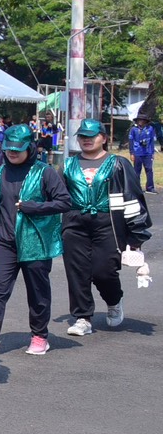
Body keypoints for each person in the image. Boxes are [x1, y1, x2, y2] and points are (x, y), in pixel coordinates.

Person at [0, 123, 71, 357]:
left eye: (18, 148)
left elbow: (64, 202)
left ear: (30, 147)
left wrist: (35, 207)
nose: (12, 152)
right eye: (8, 148)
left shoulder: (44, 172)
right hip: (4, 242)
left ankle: (39, 336)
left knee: (38, 290)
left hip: (35, 242)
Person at [62, 118, 151, 335]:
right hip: (74, 224)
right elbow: (57, 196)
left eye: (91, 136)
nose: (86, 140)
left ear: (103, 138)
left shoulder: (118, 163)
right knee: (77, 272)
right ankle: (82, 318)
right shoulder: (68, 165)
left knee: (104, 271)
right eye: (82, 136)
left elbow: (133, 197)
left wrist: (136, 235)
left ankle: (114, 300)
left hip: (108, 224)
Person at [127, 114, 156, 193]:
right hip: (137, 152)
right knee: (137, 171)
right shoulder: (134, 129)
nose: (140, 122)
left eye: (142, 120)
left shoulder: (150, 129)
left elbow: (152, 141)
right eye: (139, 120)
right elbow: (131, 141)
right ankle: (137, 187)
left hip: (148, 152)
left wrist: (152, 152)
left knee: (149, 169)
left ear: (145, 121)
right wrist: (131, 153)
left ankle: (150, 187)